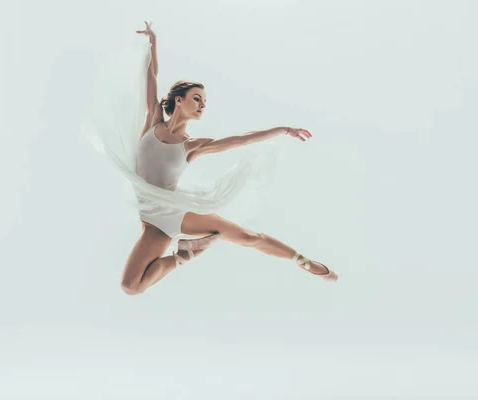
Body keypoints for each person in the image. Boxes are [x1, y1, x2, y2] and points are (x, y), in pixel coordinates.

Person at [112, 21, 338, 295]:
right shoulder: (153, 120)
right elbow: (152, 76)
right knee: (130, 286)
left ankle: (303, 260)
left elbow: (241, 139)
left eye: (205, 102)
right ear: (179, 100)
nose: (202, 105)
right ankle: (186, 255)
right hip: (150, 219)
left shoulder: (191, 146)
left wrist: (282, 129)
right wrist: (153, 42)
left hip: (174, 213)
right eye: (197, 98)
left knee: (245, 236)